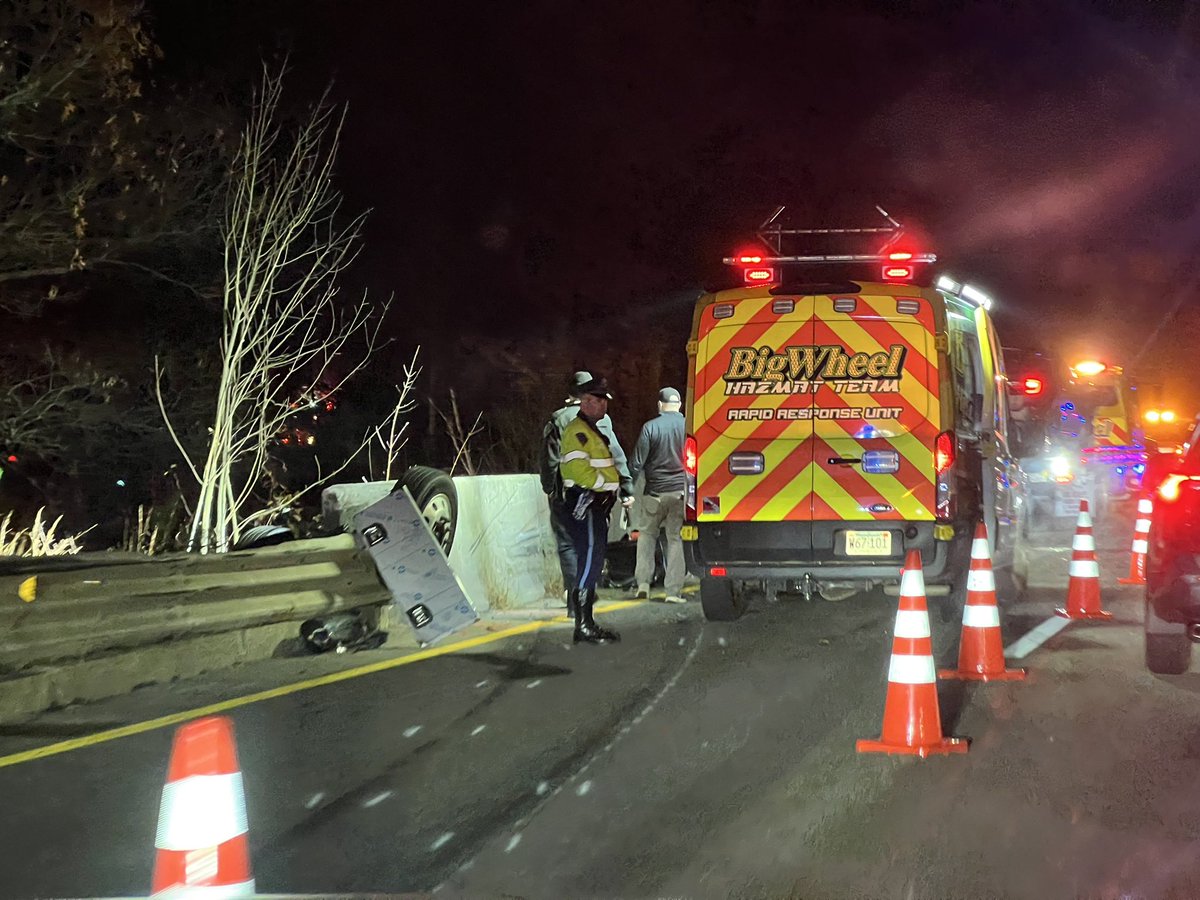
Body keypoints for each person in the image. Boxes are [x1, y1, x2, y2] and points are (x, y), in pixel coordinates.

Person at [540, 370, 633, 612]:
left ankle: (575, 602)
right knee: (591, 545)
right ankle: (587, 596)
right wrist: (625, 489)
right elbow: (617, 455)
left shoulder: (558, 420)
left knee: (568, 545)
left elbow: (550, 460)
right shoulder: (603, 420)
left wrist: (549, 488)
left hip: (568, 495)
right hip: (599, 495)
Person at [559, 375, 625, 643]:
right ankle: (583, 624)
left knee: (594, 560)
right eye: (600, 401)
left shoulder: (590, 430)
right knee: (589, 560)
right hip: (586, 501)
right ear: (587, 402)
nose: (605, 406)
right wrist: (607, 484)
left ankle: (585, 622)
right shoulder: (578, 432)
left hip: (594, 503)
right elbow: (576, 472)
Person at [629, 387, 687, 603]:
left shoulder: (649, 428)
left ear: (660, 405)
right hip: (679, 494)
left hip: (653, 494)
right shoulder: (688, 427)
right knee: (675, 539)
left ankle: (643, 585)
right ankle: (673, 591)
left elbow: (636, 463)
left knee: (646, 536)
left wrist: (628, 489)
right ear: (680, 405)